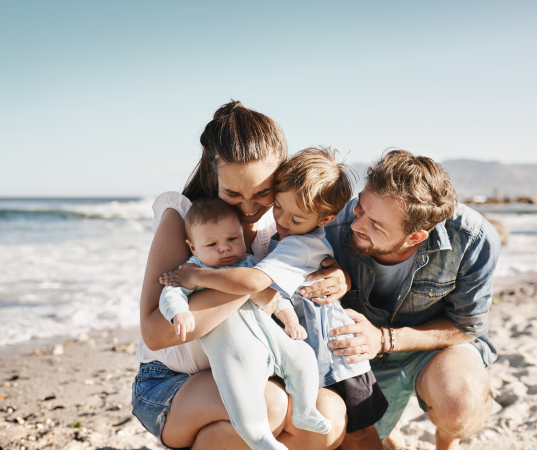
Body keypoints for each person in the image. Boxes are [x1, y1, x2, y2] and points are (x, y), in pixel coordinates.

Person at [132, 100, 349, 449]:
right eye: (232, 193)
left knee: (328, 413)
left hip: (256, 364)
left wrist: (338, 276)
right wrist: (249, 282)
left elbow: (315, 257)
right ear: (212, 173)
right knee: (269, 405)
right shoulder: (185, 219)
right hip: (171, 381)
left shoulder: (281, 216)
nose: (249, 208)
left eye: (262, 192)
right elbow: (156, 334)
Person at [161, 148, 389, 450]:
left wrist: (196, 277)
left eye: (295, 217)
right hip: (312, 345)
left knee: (359, 431)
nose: (281, 219)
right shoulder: (286, 236)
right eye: (278, 208)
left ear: (326, 218)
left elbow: (255, 281)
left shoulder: (299, 244)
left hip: (335, 351)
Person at [300, 150, 501, 450]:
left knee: (460, 407)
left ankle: (446, 441)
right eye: (360, 209)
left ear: (415, 237)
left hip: (434, 349)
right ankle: (387, 429)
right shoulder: (332, 226)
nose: (357, 225)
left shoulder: (473, 238)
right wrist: (331, 273)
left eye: (376, 226)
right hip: (360, 358)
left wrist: (384, 339)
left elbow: (466, 326)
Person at [159, 196, 331, 450]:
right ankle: (259, 437)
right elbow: (171, 293)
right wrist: (179, 313)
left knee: (302, 355)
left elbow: (276, 296)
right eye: (211, 244)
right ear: (193, 248)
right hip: (233, 348)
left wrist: (290, 321)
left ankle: (305, 410)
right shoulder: (191, 271)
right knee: (241, 392)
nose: (224, 249)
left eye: (232, 239)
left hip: (272, 337)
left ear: (241, 234)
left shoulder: (249, 265)